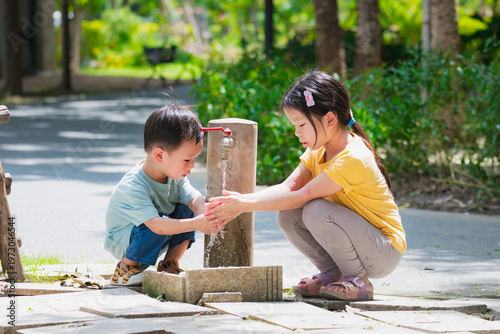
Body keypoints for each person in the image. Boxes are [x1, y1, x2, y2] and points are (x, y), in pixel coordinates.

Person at [206, 70, 406, 301]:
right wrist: (243, 200)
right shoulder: (319, 151)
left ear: (330, 120)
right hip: (364, 243)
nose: (296, 132)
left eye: (300, 124)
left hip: (384, 250)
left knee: (314, 209)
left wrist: (243, 205)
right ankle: (334, 273)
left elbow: (304, 194)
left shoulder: (353, 157)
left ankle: (359, 280)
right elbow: (289, 187)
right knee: (288, 214)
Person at [105, 104, 219, 286]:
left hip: (156, 230)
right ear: (160, 155)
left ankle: (169, 263)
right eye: (187, 160)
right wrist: (198, 224)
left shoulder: (175, 177)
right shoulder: (133, 186)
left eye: (194, 159)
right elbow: (157, 226)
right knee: (159, 222)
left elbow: (193, 197)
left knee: (185, 208)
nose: (191, 166)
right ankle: (125, 268)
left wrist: (206, 211)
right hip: (126, 240)